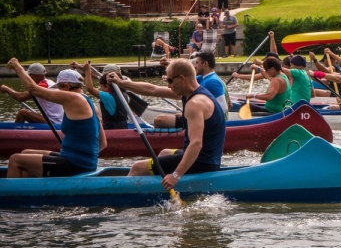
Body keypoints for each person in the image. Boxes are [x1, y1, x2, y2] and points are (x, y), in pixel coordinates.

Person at [110, 59, 225, 190]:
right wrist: (120, 83)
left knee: (137, 168)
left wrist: (176, 176)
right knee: (165, 152)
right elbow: (152, 90)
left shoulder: (195, 104)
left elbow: (196, 144)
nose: (169, 86)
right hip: (209, 158)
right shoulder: (193, 93)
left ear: (182, 78)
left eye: (170, 81)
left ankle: (125, 197)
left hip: (202, 163)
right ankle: (155, 186)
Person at [6, 63, 107, 178]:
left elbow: (33, 89)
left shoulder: (74, 98)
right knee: (25, 153)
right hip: (79, 160)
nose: (57, 91)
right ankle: (31, 190)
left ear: (67, 86)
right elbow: (103, 144)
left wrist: (17, 66)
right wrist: (85, 155)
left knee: (15, 160)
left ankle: (14, 195)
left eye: (59, 88)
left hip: (75, 164)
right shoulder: (92, 105)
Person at [76, 61, 128, 130]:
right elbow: (97, 76)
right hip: (123, 127)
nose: (100, 89)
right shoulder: (124, 94)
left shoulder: (107, 96)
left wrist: (87, 70)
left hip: (111, 130)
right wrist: (84, 69)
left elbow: (89, 88)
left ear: (107, 86)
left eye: (101, 87)